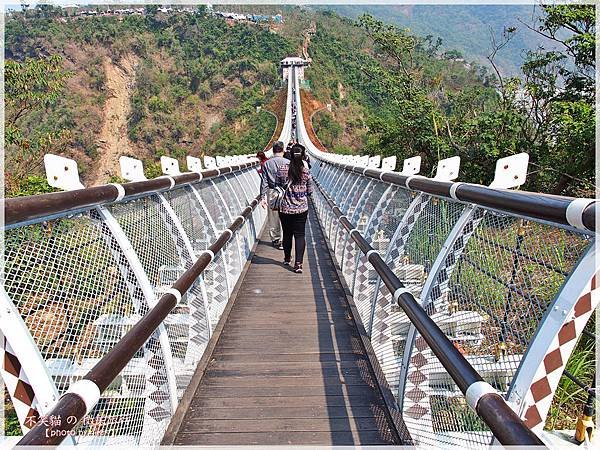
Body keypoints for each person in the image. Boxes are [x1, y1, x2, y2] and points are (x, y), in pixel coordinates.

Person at [275, 143, 312, 273]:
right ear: (302, 156)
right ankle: (298, 264)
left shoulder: (282, 169)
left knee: (287, 233)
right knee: (300, 235)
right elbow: (310, 190)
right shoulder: (306, 171)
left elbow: (277, 185)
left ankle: (286, 258)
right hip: (301, 208)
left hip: (285, 208)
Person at [260, 141, 287, 249]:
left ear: (273, 150)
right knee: (286, 215)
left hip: (272, 192)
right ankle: (286, 238)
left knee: (273, 216)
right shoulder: (288, 162)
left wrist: (262, 197)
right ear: (283, 150)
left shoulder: (267, 163)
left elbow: (264, 182)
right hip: (285, 192)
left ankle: (276, 239)